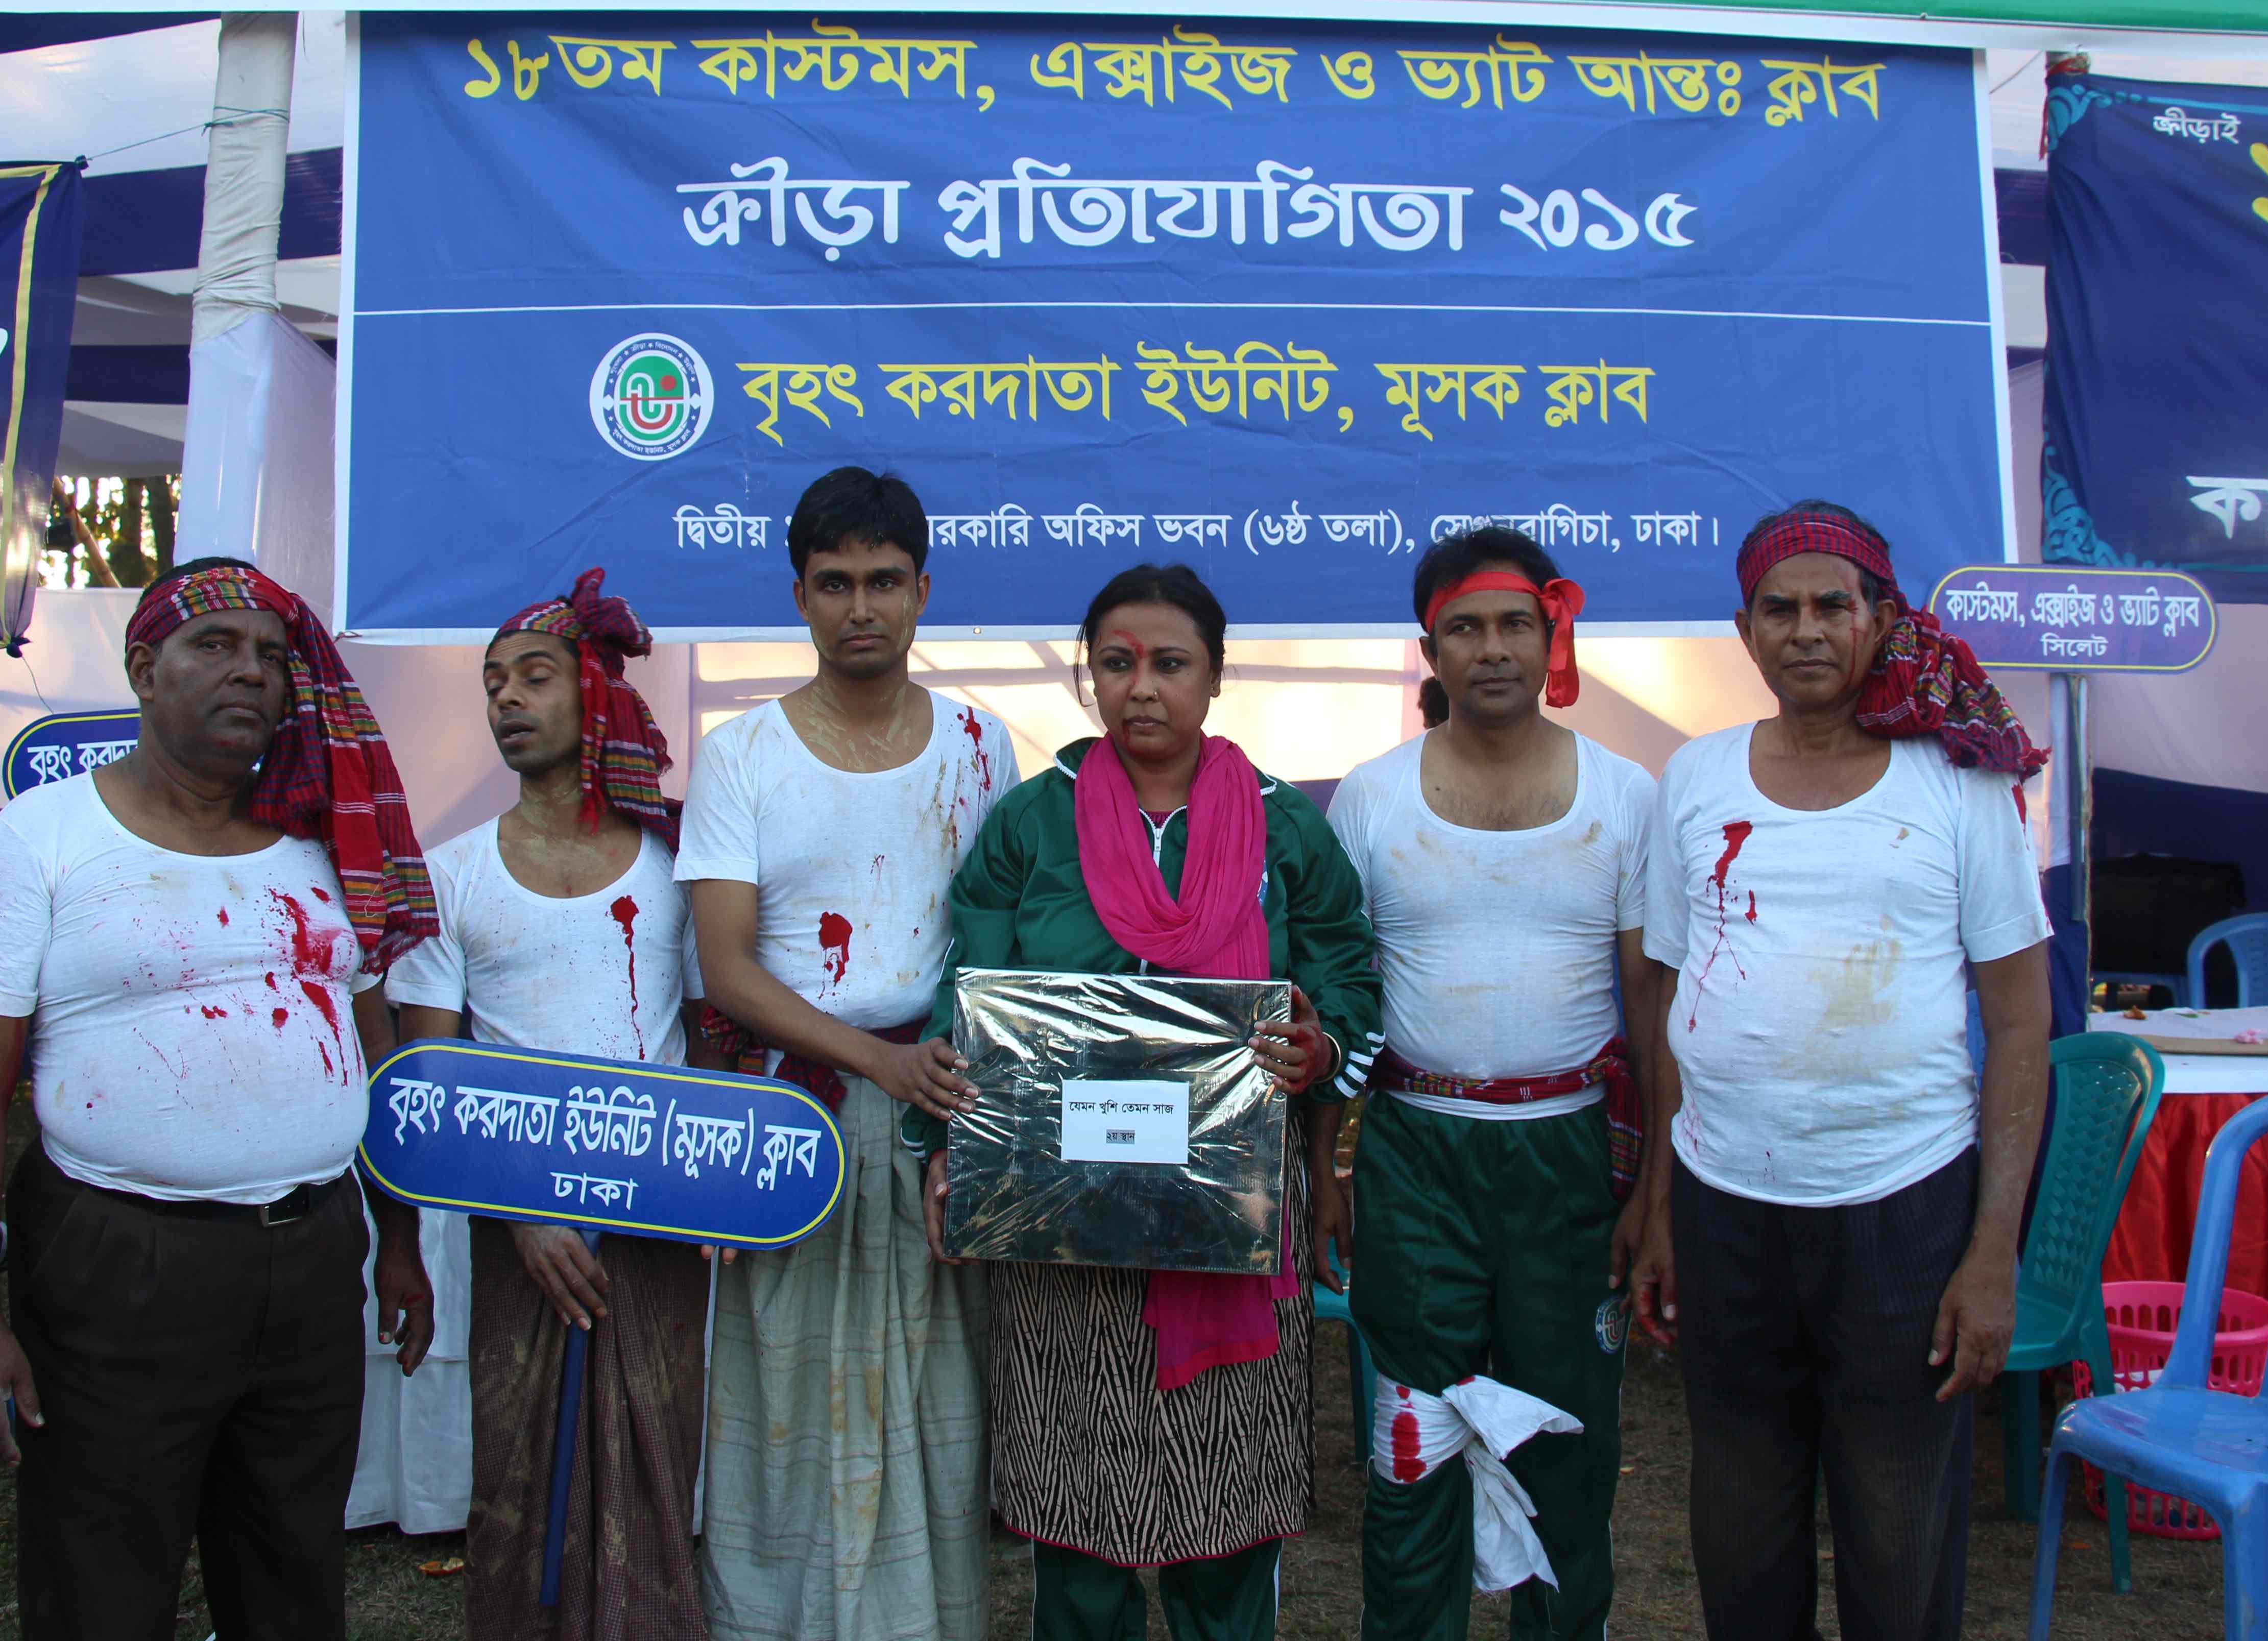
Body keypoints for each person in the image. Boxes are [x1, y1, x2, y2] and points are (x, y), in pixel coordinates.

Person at [0, 558, 439, 1641]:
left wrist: (398, 1241)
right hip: (118, 1263)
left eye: (272, 656)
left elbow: (375, 1049)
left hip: (312, 1258)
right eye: (215, 646)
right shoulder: (46, 836)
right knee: (102, 1583)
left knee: (293, 1575)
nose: (250, 672)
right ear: (143, 668)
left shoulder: (325, 845)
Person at [909, 562, 1383, 1641]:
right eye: (1117, 664)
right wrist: (947, 1146)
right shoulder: (1032, 824)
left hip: (1234, 1220)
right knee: (1080, 1518)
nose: (1142, 688)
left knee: (1227, 1509)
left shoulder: (1283, 828)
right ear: (1091, 677)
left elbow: (1350, 973)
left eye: (1171, 663)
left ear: (1214, 677)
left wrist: (1318, 1049)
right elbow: (970, 994)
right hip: (1060, 1220)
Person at [1642, 502, 2051, 1641]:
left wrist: (1992, 1253)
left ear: (1881, 619)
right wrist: (1663, 1209)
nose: (1807, 629)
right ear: (1745, 631)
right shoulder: (1696, 778)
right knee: (1740, 1517)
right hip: (1725, 1203)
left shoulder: (1958, 783)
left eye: (1834, 605)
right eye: (1780, 609)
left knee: (1898, 1527)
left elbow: (2021, 1023)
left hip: (1904, 1206)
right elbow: (1673, 996)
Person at [679, 467, 1018, 1641]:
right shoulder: (741, 754)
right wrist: (878, 1066)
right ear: (800, 597)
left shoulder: (980, 743)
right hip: (797, 1119)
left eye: (883, 581)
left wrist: (939, 1098)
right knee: (788, 1389)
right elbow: (726, 970)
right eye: (834, 584)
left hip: (945, 1111)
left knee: (937, 1391)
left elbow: (999, 942)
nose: (860, 607)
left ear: (923, 590)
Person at [1322, 529, 1668, 1641]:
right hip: (1415, 1154)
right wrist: (1324, 1169)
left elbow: (1651, 1010)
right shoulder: (1371, 798)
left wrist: (1657, 1193)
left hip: (1570, 1158)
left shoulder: (1626, 794)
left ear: (1550, 634)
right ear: (1431, 651)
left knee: (1567, 1443)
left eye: (1516, 623)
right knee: (1413, 1447)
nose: (1493, 649)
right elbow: (1338, 1000)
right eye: (1465, 629)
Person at [385, 568, 709, 1639]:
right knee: (522, 1478)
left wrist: (706, 1194)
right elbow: (432, 1079)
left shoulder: (678, 866)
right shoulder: (450, 875)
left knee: (657, 1467)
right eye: (493, 684)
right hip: (515, 1231)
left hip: (656, 1224)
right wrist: (522, 1214)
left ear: (596, 693)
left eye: (534, 676)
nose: (507, 700)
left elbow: (709, 1043)